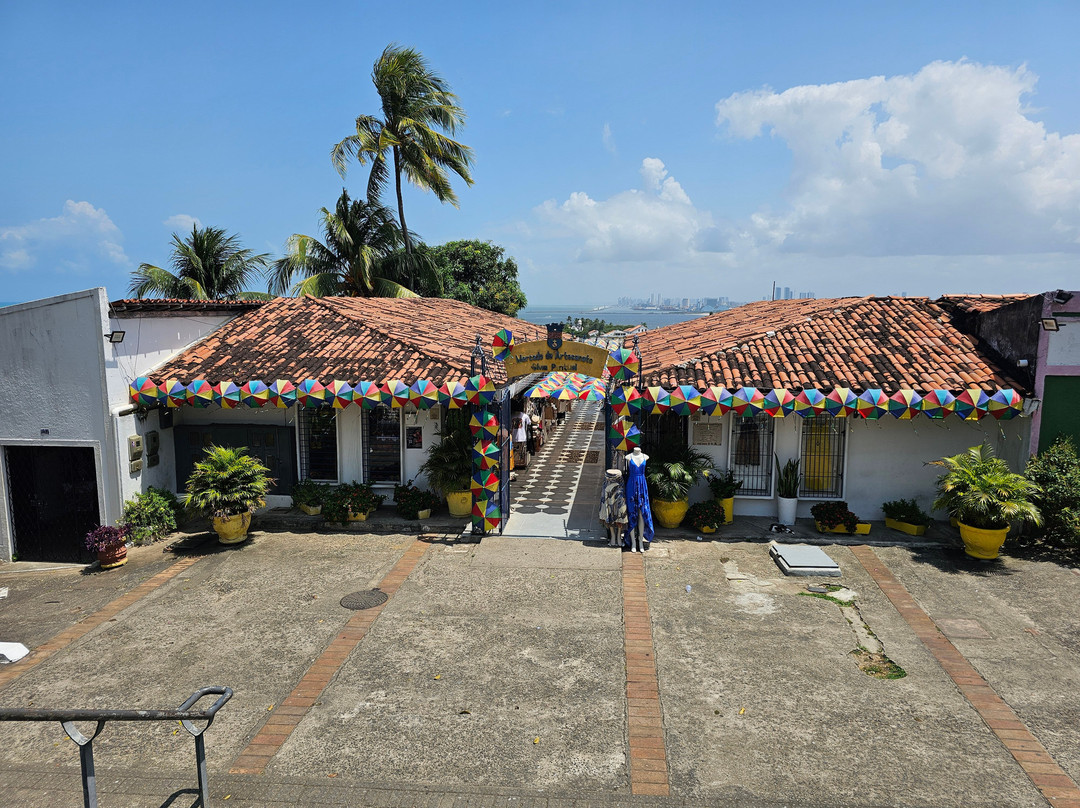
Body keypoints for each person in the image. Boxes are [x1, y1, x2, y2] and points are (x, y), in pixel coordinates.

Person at [624, 447, 654, 552]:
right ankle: (633, 542)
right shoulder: (628, 457)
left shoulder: (645, 457)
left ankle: (640, 541)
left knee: (641, 513)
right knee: (632, 513)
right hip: (631, 485)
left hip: (642, 485)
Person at [599, 469, 628, 547]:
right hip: (608, 483)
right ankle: (613, 535)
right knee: (609, 511)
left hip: (619, 485)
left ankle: (618, 535)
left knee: (620, 511)